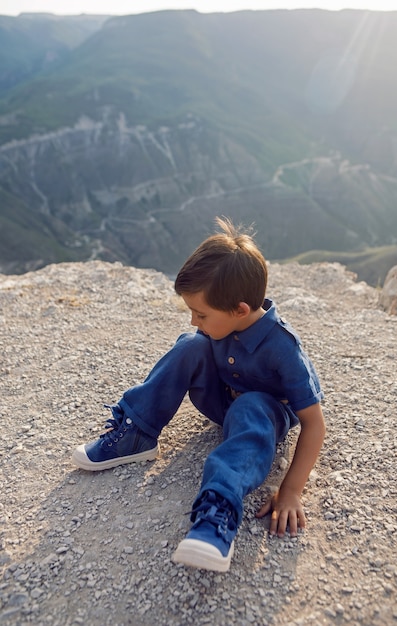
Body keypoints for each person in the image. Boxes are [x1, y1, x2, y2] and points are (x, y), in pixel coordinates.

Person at [72, 217, 326, 573]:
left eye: (201, 314)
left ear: (239, 310)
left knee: (252, 405)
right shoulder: (221, 324)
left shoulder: (284, 348)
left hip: (262, 417)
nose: (194, 320)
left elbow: (314, 424)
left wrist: (291, 490)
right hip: (224, 400)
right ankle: (138, 434)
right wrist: (202, 334)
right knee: (190, 345)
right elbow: (197, 346)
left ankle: (217, 515)